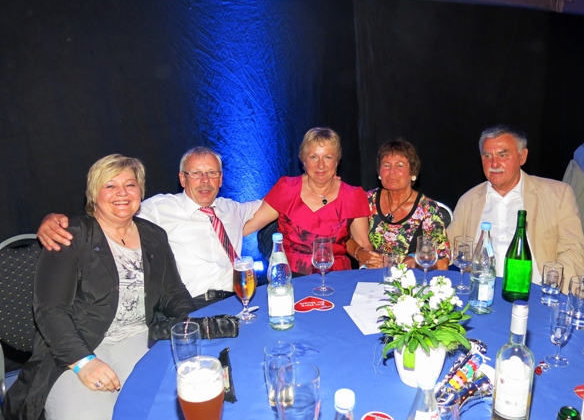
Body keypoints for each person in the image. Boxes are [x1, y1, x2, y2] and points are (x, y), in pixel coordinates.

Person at [2, 154, 238, 420]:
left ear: (140, 191)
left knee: (165, 407)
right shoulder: (70, 235)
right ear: (94, 194)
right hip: (74, 349)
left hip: (139, 338)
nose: (122, 193)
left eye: (130, 185)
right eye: (110, 185)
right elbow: (50, 311)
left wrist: (191, 325)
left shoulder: (153, 236)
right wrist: (84, 363)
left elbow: (172, 292)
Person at [36, 147, 262, 309]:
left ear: (221, 179)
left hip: (242, 296)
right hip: (195, 304)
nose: (205, 180)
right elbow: (112, 216)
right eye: (196, 173)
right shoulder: (158, 209)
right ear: (182, 179)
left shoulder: (232, 208)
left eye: (212, 173)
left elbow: (274, 204)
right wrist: (52, 219)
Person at [447, 126, 584, 292]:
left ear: (522, 157)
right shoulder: (469, 200)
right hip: (483, 292)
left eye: (502, 155)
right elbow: (448, 247)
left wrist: (552, 293)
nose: (494, 164)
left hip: (538, 293)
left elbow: (573, 251)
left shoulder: (557, 195)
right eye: (487, 156)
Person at [243, 127, 371, 275]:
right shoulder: (286, 189)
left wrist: (366, 277)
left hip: (337, 279)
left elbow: (364, 246)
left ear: (337, 161)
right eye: (314, 157)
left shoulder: (353, 196)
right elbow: (248, 227)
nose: (321, 165)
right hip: (289, 278)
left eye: (328, 157)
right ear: (303, 161)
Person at [344, 140, 450, 270]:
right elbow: (347, 239)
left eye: (399, 165)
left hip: (411, 279)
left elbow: (442, 262)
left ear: (413, 173)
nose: (392, 171)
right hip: (372, 276)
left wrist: (416, 261)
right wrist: (361, 254)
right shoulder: (367, 200)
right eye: (386, 165)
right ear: (379, 172)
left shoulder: (428, 209)